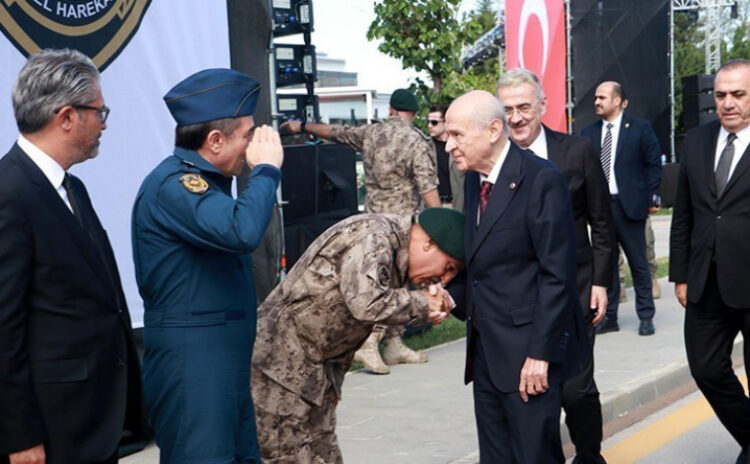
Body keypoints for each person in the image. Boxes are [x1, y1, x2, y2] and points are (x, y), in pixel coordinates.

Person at [0, 48, 149, 464]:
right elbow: (3, 328)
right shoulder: (9, 193)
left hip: (93, 425)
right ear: (66, 116)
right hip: (49, 434)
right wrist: (19, 436)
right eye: (99, 112)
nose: (104, 123)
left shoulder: (72, 188)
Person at [132, 69, 283, 463]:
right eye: (248, 136)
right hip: (194, 370)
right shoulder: (176, 185)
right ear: (215, 140)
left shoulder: (206, 184)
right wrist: (267, 171)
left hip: (220, 367)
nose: (253, 147)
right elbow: (242, 230)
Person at [251, 208, 463, 463]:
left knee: (325, 456)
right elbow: (366, 304)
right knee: (286, 456)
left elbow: (345, 325)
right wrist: (422, 304)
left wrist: (332, 389)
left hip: (313, 371)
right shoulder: (374, 236)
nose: (444, 279)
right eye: (448, 267)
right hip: (279, 367)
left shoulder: (396, 255)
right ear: (429, 242)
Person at [445, 90, 587, 463]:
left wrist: (540, 354)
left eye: (457, 135)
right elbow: (481, 266)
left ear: (493, 130)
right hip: (486, 353)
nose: (448, 145)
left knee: (534, 456)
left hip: (528, 357)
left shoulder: (541, 179)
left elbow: (557, 274)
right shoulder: (474, 181)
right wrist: (451, 298)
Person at [497, 68, 614, 464]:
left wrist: (601, 281)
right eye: (508, 109)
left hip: (576, 286)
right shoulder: (496, 164)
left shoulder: (576, 152)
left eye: (524, 107)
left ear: (543, 106)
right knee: (537, 391)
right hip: (522, 297)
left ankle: (589, 454)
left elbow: (601, 221)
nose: (516, 118)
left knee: (576, 388)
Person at [282, 88, 440, 374]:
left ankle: (393, 345)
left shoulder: (370, 133)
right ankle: (371, 342)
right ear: (413, 114)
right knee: (394, 285)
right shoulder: (417, 141)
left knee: (384, 282)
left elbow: (334, 132)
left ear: (391, 110)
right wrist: (439, 224)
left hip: (372, 222)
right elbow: (428, 187)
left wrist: (301, 126)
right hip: (402, 225)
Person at [670, 59, 750, 464]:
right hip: (705, 280)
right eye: (720, 95)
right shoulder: (697, 141)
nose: (728, 103)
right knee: (705, 368)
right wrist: (680, 274)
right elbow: (684, 212)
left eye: (738, 94)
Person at [581, 81, 662, 336]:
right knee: (606, 266)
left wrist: (651, 197)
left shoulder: (639, 128)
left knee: (638, 264)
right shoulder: (588, 133)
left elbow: (653, 164)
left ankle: (646, 316)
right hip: (600, 209)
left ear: (617, 100)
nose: (596, 102)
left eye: (602, 97)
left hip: (630, 206)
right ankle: (610, 317)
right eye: (595, 97)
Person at [428, 104, 465, 212]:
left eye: (434, 122)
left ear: (446, 123)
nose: (430, 125)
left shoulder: (459, 146)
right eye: (428, 122)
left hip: (457, 206)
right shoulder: (424, 147)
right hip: (432, 207)